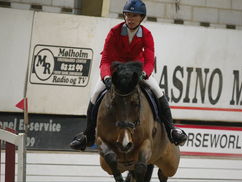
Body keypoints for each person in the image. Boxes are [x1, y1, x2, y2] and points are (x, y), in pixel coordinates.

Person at [70, 0, 187, 151]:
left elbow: (150, 60)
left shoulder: (146, 34)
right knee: (95, 94)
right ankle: (87, 135)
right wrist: (106, 77)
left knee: (158, 91)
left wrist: (144, 73)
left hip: (136, 73)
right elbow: (105, 59)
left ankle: (171, 130)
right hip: (115, 71)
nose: (130, 19)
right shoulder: (114, 32)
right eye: (127, 15)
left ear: (141, 18)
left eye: (134, 16)